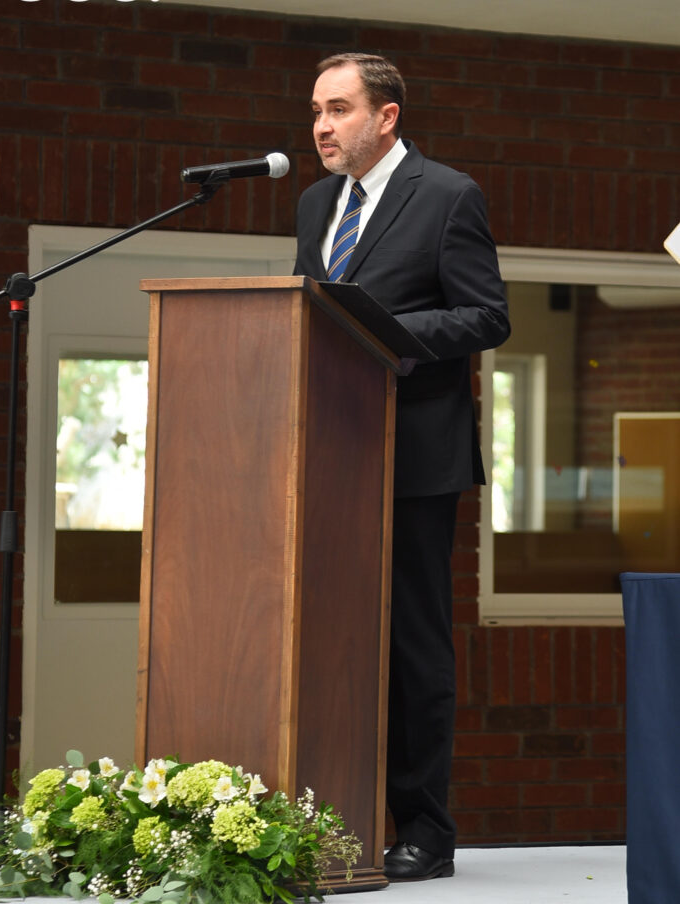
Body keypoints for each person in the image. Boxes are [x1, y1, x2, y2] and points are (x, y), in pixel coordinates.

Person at [293, 52, 510, 882]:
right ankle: (335, 814)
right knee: (328, 634)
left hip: (415, 454)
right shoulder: (316, 203)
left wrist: (384, 332)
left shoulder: (448, 195)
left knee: (412, 643)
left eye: (339, 109)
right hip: (328, 449)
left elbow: (487, 315)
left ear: (386, 118)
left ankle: (425, 828)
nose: (321, 126)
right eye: (316, 109)